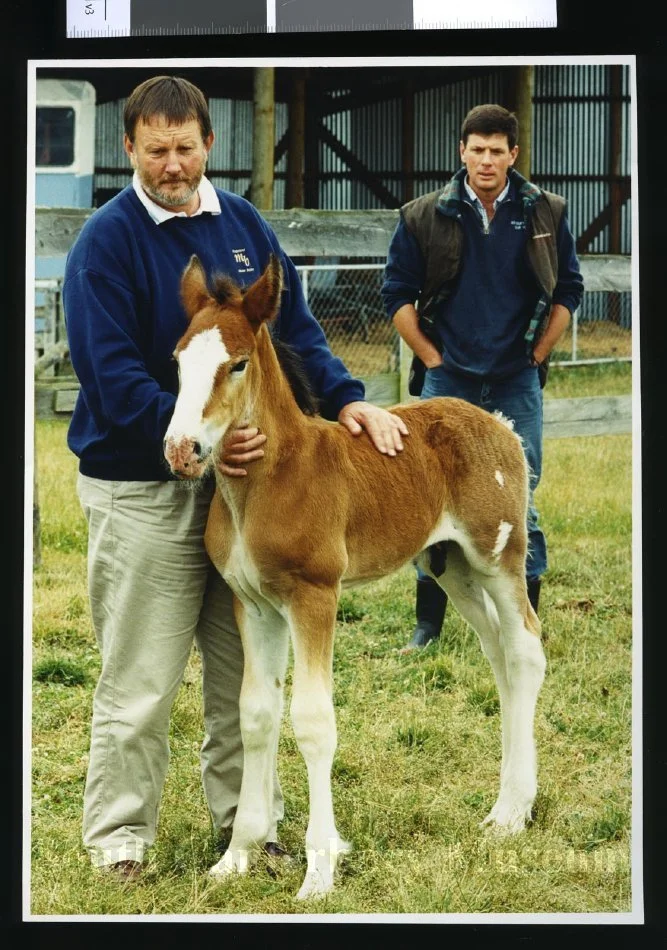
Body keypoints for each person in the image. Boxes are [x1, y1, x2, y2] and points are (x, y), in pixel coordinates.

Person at [63, 75, 409, 880]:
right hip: (145, 482)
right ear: (130, 150)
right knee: (142, 674)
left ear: (209, 145)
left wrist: (351, 401)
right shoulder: (106, 244)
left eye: (186, 148)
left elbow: (297, 334)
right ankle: (121, 837)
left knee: (243, 667)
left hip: (246, 490)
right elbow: (108, 374)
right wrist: (185, 437)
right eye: (156, 150)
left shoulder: (242, 225)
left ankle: (248, 827)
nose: (173, 164)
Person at [381, 103, 584, 651]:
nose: (487, 160)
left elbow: (569, 290)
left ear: (513, 154)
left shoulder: (546, 212)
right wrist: (431, 357)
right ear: (462, 151)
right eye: (478, 149)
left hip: (516, 378)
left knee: (522, 499)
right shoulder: (424, 215)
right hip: (450, 381)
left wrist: (538, 353)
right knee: (428, 499)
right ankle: (428, 626)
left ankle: (523, 625)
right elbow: (396, 294)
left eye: (498, 150)